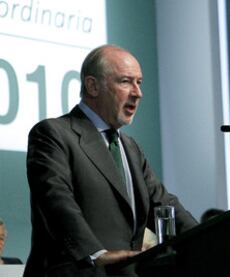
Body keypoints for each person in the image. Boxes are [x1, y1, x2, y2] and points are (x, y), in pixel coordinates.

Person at [24, 45, 198, 277]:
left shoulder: (131, 148)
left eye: (140, 82)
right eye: (126, 82)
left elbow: (165, 204)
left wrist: (213, 238)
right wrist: (95, 254)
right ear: (93, 86)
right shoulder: (53, 133)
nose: (138, 93)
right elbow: (56, 201)